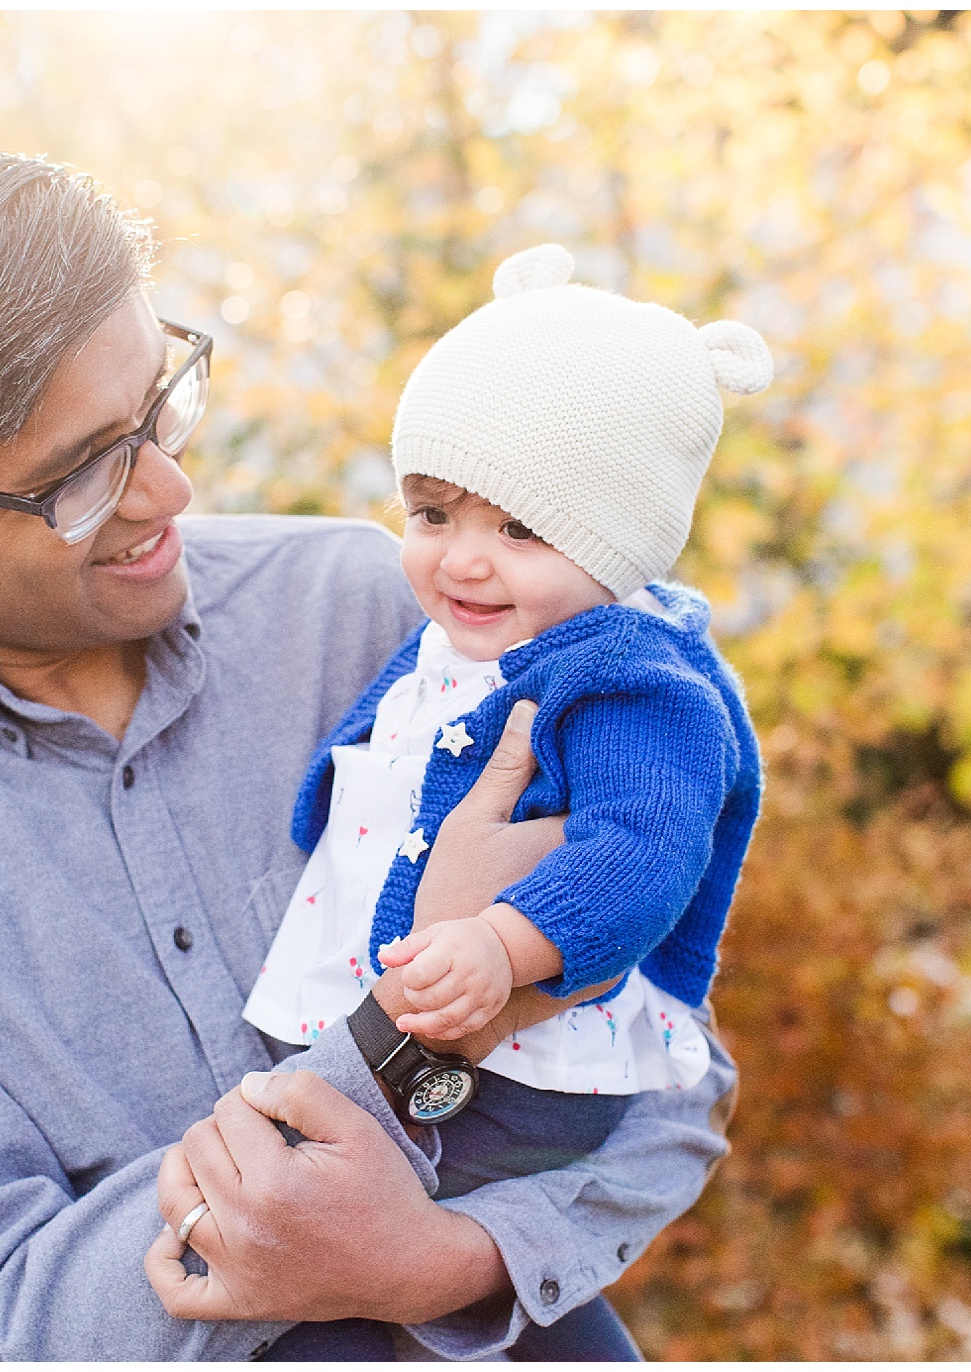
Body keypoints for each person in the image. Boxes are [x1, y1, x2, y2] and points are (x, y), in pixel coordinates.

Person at [0, 137, 738, 1361]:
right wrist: (401, 1035)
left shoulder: (380, 614)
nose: (168, 489)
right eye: (79, 475)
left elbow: (677, 1070)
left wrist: (447, 1262)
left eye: (158, 404)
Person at [233, 245, 766, 1359]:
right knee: (344, 1259)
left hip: (520, 1063)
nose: (463, 561)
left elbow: (643, 851)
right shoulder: (464, 639)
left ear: (617, 540)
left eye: (520, 529)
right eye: (431, 514)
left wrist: (501, 941)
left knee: (344, 1276)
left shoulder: (631, 679)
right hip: (419, 1022)